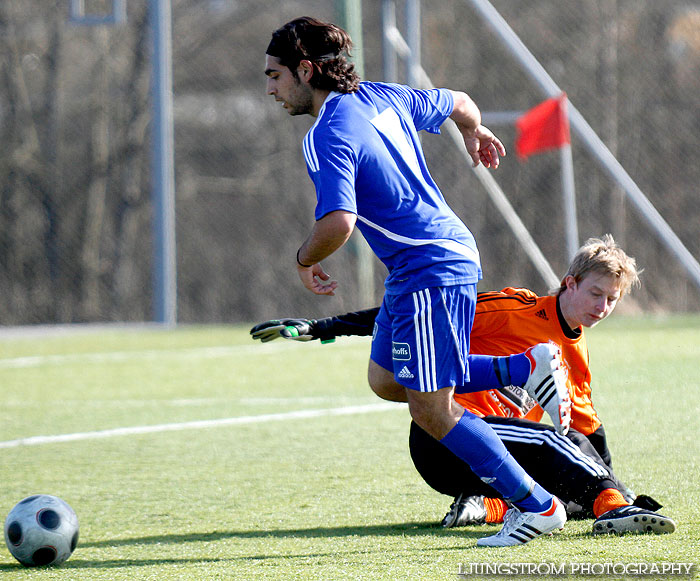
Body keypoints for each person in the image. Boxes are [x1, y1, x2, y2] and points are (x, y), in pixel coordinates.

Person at [263, 16, 572, 547]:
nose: (269, 87)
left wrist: (302, 259)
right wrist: (474, 130)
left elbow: (338, 222)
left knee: (432, 409)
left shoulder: (326, 134)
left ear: (306, 70)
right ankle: (526, 366)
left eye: (274, 75)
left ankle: (536, 506)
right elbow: (458, 101)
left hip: (430, 267)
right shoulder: (383, 95)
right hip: (423, 266)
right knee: (386, 379)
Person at [251, 235, 676, 536]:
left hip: (488, 459)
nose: (603, 307)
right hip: (444, 435)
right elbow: (407, 313)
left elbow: (586, 430)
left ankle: (492, 506)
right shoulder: (514, 309)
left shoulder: (576, 352)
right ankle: (612, 510)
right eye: (596, 294)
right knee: (552, 444)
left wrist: (612, 481)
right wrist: (322, 327)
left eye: (612, 300)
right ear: (570, 283)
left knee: (570, 462)